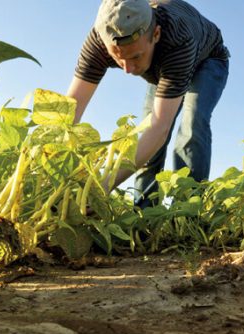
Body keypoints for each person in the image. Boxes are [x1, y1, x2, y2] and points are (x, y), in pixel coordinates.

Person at [66, 0, 229, 208]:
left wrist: (102, 187)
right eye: (118, 58)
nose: (128, 69)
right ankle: (144, 213)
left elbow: (159, 129)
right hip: (160, 68)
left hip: (207, 59)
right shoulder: (99, 40)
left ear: (156, 34)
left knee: (192, 123)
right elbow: (71, 108)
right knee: (146, 136)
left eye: (135, 56)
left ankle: (188, 211)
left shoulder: (178, 38)